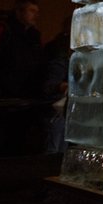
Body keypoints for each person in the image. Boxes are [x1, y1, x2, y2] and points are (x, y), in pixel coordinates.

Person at [0, 0, 45, 155]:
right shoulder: (2, 30)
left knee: (15, 139)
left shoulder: (33, 36)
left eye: (37, 12)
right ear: (19, 11)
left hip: (22, 94)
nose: (35, 15)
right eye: (31, 11)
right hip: (1, 94)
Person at [42, 16, 73, 154]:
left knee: (59, 146)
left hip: (61, 106)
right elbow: (51, 81)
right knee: (55, 146)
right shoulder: (59, 50)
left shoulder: (61, 48)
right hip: (56, 105)